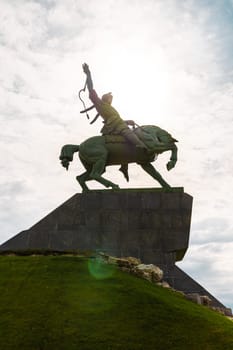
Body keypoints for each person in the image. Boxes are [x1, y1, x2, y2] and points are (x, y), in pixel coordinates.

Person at [82, 63, 148, 150]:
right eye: (110, 98)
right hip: (115, 127)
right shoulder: (99, 104)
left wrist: (128, 121)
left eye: (111, 99)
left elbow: (117, 120)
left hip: (118, 125)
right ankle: (141, 146)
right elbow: (90, 88)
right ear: (105, 98)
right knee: (128, 132)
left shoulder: (110, 108)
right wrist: (88, 74)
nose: (111, 100)